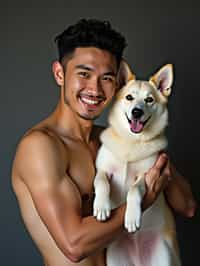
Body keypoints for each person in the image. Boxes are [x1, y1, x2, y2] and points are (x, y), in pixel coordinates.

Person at [12, 19, 196, 266]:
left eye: (107, 78)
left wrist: (150, 154)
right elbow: (74, 246)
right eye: (84, 74)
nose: (95, 89)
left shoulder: (113, 141)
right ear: (59, 73)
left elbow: (187, 207)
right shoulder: (41, 147)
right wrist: (143, 201)